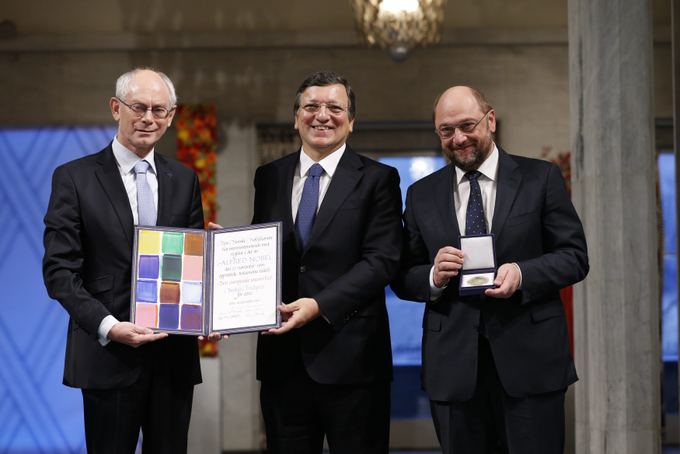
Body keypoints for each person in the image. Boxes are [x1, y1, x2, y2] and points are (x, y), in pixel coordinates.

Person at [391, 86, 589, 454]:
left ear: (491, 120)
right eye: (446, 130)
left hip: (530, 363)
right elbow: (402, 274)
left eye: (467, 125)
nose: (459, 138)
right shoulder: (421, 194)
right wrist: (432, 276)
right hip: (453, 368)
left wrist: (522, 272)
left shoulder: (540, 178)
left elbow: (575, 256)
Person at [43, 68, 208, 454]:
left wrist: (209, 307)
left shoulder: (185, 179)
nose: (148, 118)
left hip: (173, 358)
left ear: (171, 116)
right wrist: (109, 326)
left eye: (158, 109)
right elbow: (59, 271)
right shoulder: (74, 178)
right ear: (116, 108)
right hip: (107, 354)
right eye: (138, 107)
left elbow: (191, 265)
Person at [251, 70, 403, 454]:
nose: (322, 115)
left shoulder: (378, 179)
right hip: (282, 362)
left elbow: (382, 260)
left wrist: (319, 306)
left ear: (351, 121)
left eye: (335, 107)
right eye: (311, 106)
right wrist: (228, 254)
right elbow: (265, 252)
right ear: (296, 117)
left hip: (353, 360)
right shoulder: (269, 176)